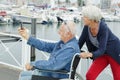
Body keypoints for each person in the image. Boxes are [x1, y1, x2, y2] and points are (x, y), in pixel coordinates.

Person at [78, 5, 120, 80]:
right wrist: (70, 51)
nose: (82, 18)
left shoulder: (103, 27)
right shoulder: (86, 28)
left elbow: (102, 49)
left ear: (91, 19)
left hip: (114, 53)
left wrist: (89, 54)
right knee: (90, 75)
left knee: (117, 77)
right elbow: (79, 43)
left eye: (85, 16)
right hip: (102, 54)